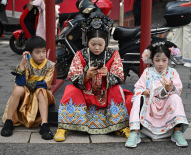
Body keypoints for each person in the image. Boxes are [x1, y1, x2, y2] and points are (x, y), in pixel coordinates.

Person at [54, 14, 133, 142]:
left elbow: (119, 75)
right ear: (87, 41)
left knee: (116, 89)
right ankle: (64, 126)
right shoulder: (81, 54)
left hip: (105, 92)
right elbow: (72, 75)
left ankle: (120, 126)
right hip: (85, 92)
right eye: (93, 44)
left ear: (106, 41)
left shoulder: (113, 54)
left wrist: (107, 74)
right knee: (70, 90)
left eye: (100, 44)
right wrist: (86, 76)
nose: (97, 48)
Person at [125, 41, 189, 148]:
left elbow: (178, 89)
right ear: (152, 60)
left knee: (176, 98)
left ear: (168, 59)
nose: (160, 64)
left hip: (166, 103)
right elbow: (138, 88)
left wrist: (170, 88)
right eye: (157, 60)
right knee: (138, 98)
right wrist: (144, 92)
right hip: (150, 103)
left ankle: (177, 131)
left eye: (164, 60)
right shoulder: (147, 72)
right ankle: (135, 132)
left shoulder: (173, 72)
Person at [1, 36, 55, 140]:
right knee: (18, 88)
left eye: (43, 51)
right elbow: (21, 82)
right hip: (27, 94)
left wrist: (29, 84)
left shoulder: (50, 65)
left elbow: (45, 84)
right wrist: (22, 64)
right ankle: (9, 122)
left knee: (40, 90)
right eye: (37, 52)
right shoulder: (26, 64)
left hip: (42, 95)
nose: (41, 55)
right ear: (29, 53)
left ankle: (44, 125)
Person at [171, 0, 191, 67]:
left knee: (177, 33)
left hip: (176, 5)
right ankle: (188, 60)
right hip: (189, 4)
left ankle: (176, 57)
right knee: (189, 33)